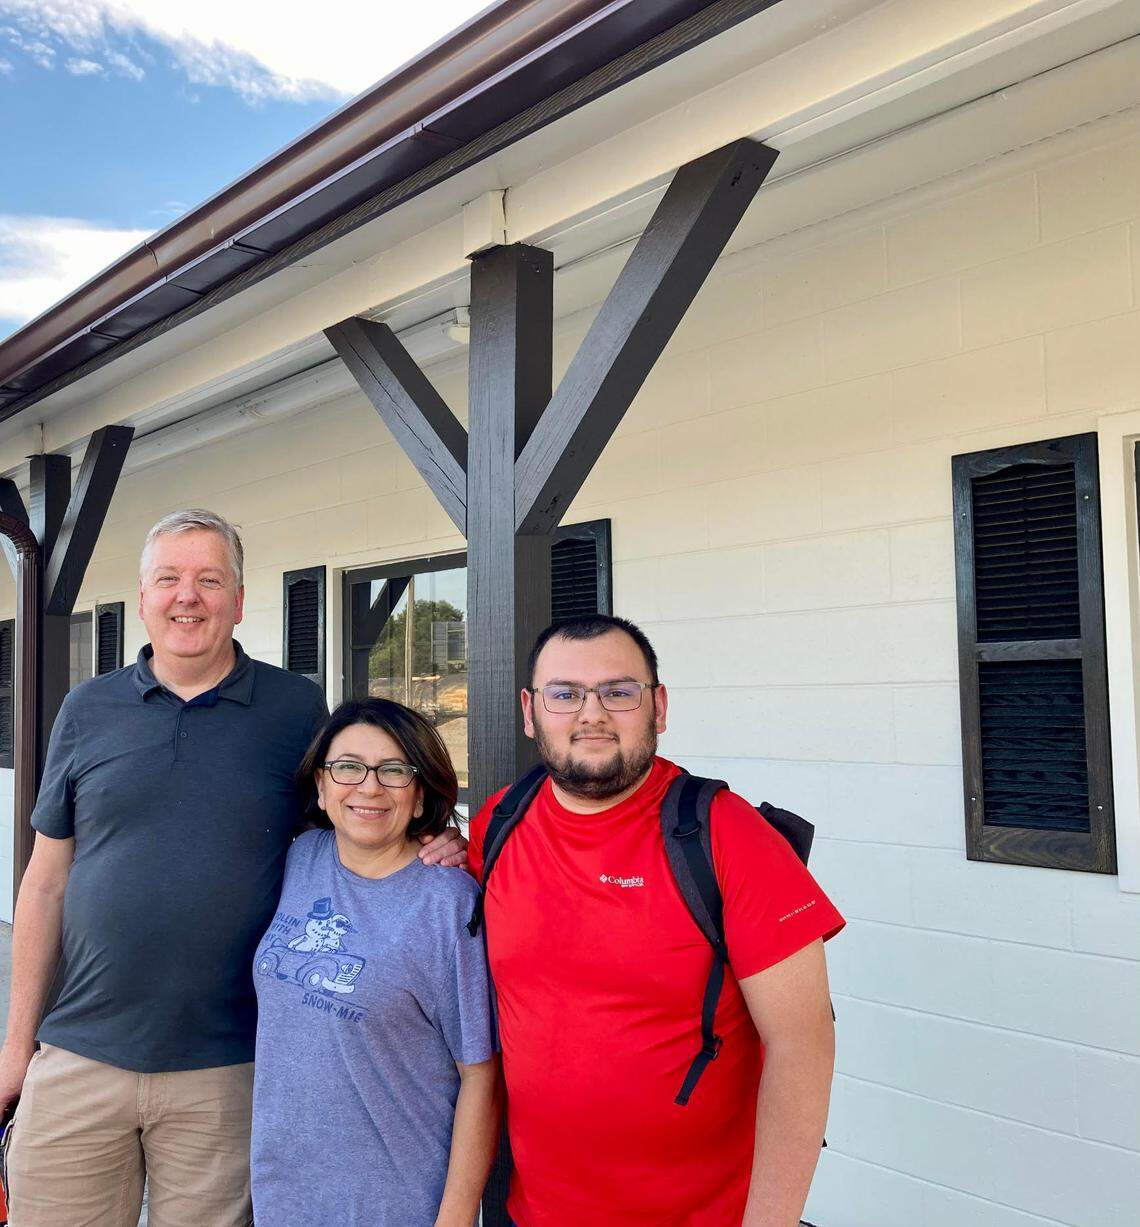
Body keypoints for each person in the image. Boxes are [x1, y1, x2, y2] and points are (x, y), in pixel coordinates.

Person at [0, 509, 464, 1227]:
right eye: (170, 579)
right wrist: (14, 1046)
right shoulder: (87, 709)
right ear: (144, 595)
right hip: (79, 1051)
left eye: (209, 580)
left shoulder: (295, 708)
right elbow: (44, 881)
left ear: (240, 600)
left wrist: (434, 839)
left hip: (230, 1066)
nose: (188, 596)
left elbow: (351, 817)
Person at [469, 614, 845, 1227]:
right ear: (530, 711)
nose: (591, 714)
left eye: (618, 692)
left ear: (658, 706)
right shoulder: (499, 824)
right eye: (564, 694)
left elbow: (803, 1047)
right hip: (529, 1210)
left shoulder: (728, 836)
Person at [251, 698, 499, 1226]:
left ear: (420, 795)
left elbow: (481, 1078)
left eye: (394, 770)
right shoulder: (302, 857)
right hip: (284, 1196)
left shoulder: (448, 903)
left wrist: (454, 1219)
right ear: (320, 785)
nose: (368, 787)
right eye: (348, 767)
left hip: (397, 1204)